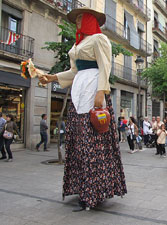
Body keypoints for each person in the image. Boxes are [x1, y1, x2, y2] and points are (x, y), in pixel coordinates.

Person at [38, 7, 126, 211]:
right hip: (79, 92)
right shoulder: (77, 45)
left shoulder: (99, 39)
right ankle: (84, 188)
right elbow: (74, 71)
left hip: (93, 89)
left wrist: (101, 91)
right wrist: (53, 77)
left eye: (80, 18)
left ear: (89, 20)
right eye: (76, 18)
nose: (77, 21)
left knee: (93, 143)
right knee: (78, 143)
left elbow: (105, 65)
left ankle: (95, 191)